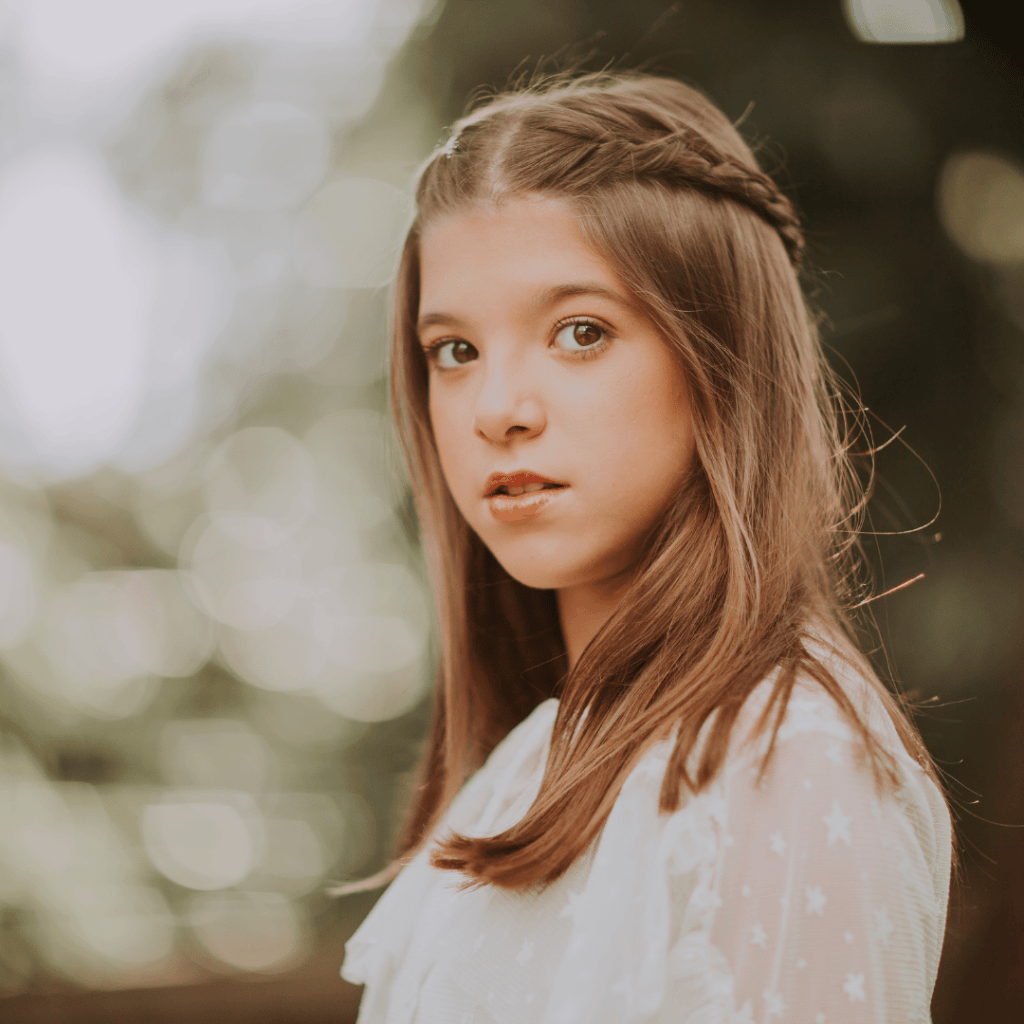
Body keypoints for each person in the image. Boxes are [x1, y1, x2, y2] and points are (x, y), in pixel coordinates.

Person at [337, 71, 952, 1023]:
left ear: (724, 360)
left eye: (580, 332)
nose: (498, 408)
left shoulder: (786, 756)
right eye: (453, 351)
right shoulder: (529, 767)